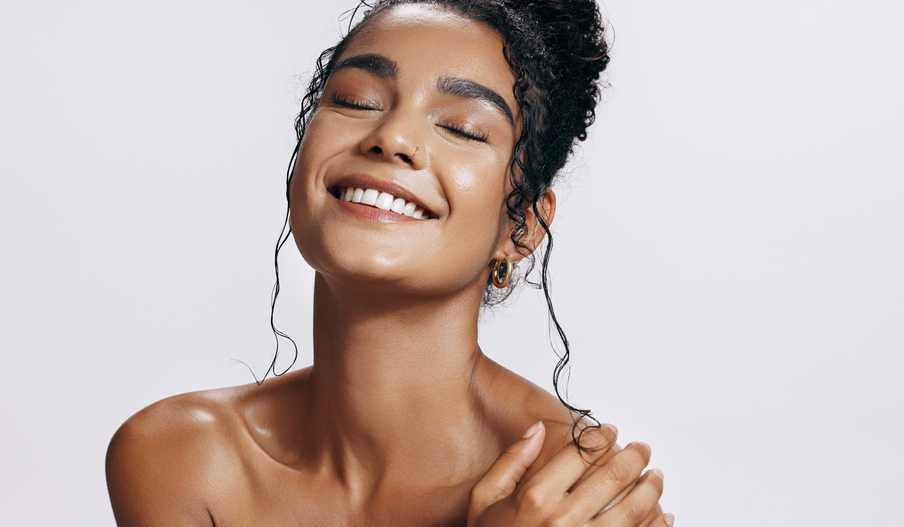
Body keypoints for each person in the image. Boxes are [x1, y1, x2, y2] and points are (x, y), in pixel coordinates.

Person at [106, 1, 673, 525]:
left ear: (521, 223)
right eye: (355, 101)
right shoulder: (181, 458)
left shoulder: (574, 493)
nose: (393, 137)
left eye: (462, 128)